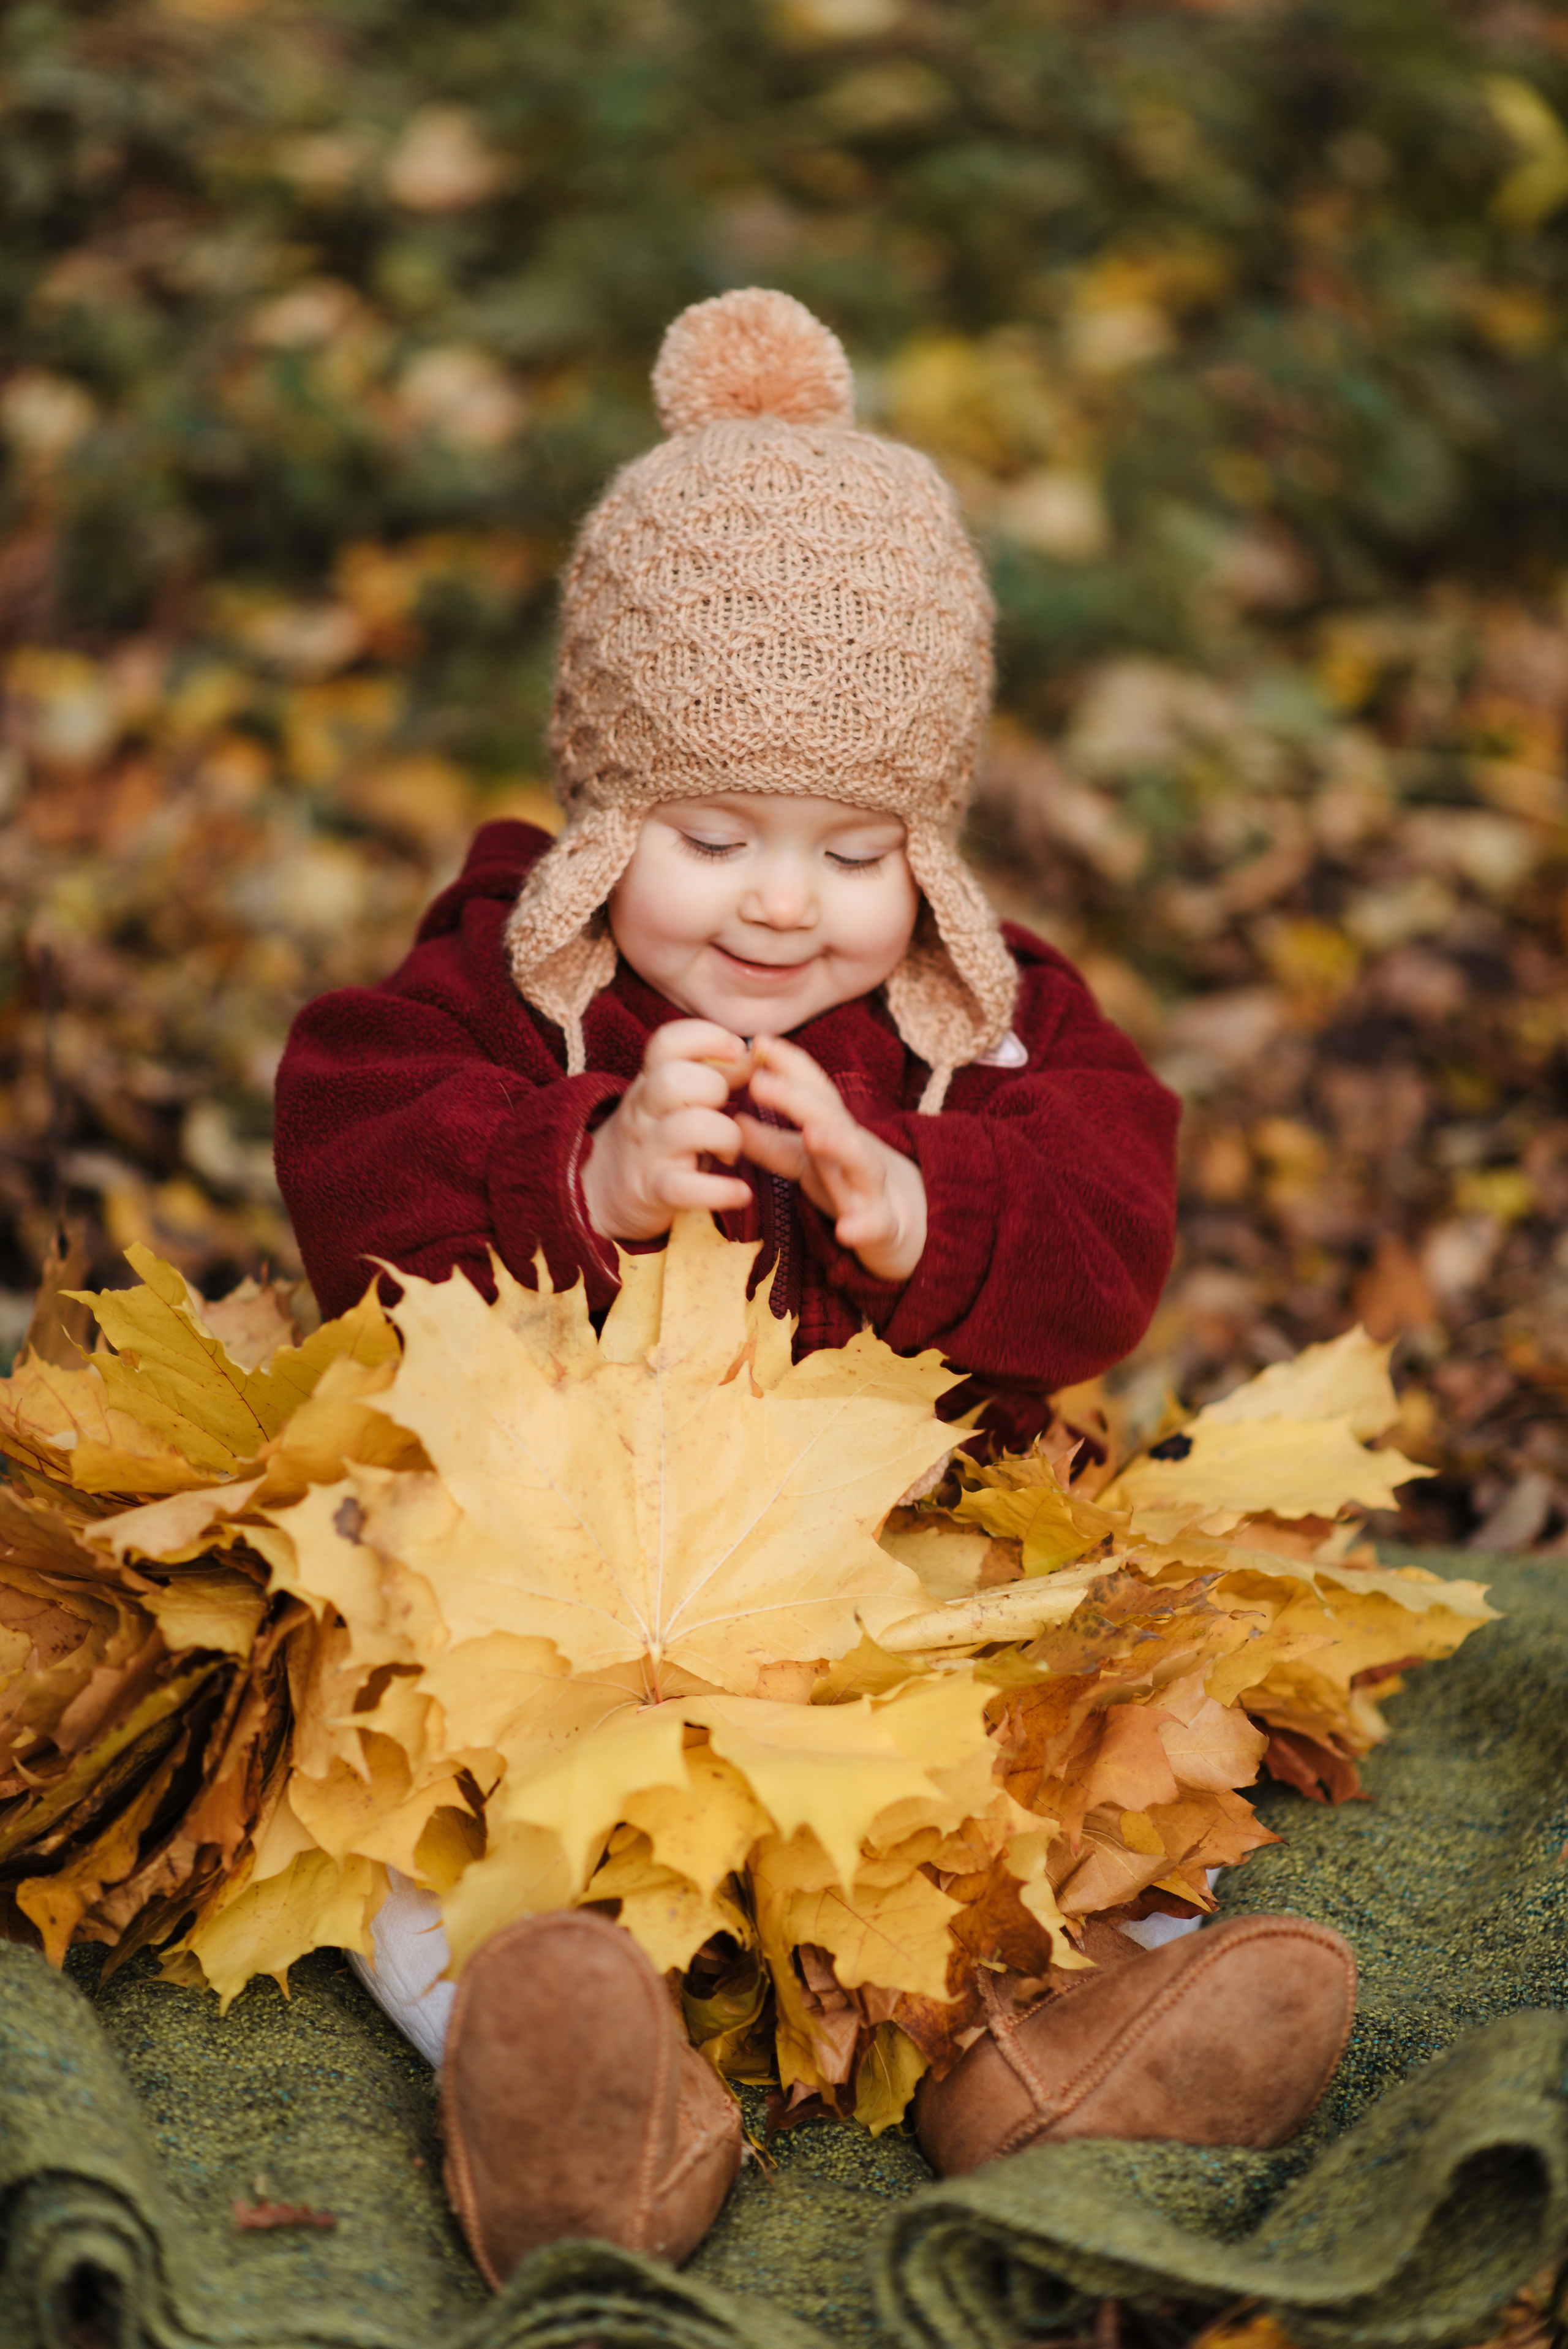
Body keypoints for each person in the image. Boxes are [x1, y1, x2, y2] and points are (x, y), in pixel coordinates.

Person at [274, 289, 1356, 2290]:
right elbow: (349, 1140)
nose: (783, 902)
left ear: (927, 846)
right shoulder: (513, 988)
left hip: (895, 1613)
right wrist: (572, 1168)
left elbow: (1117, 1215)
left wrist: (922, 1202)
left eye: (858, 849)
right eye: (711, 836)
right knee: (396, 1779)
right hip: (568, 1611)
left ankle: (1070, 2029)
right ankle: (565, 2067)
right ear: (607, 815)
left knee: (1029, 1766)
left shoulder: (978, 1028)